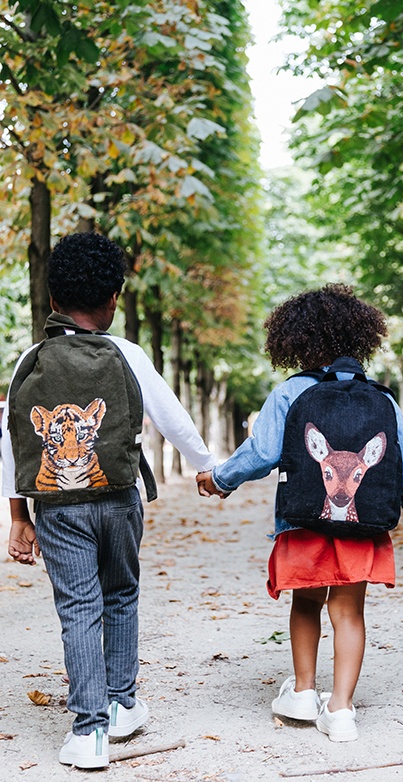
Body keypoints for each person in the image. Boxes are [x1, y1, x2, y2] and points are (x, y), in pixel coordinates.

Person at [2, 233, 215, 769]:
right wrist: (211, 469)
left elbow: (13, 440)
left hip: (58, 507)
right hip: (119, 499)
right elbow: (174, 420)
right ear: (115, 297)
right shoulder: (128, 354)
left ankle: (88, 730)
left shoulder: (32, 358)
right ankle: (121, 705)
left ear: (52, 300)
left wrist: (17, 515)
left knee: (78, 607)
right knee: (120, 594)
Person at [197, 284, 403, 742]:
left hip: (302, 521)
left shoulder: (291, 392)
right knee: (349, 612)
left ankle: (304, 694)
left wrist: (220, 479)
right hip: (361, 526)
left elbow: (262, 450)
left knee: (305, 602)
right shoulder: (381, 398)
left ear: (296, 341)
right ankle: (342, 710)